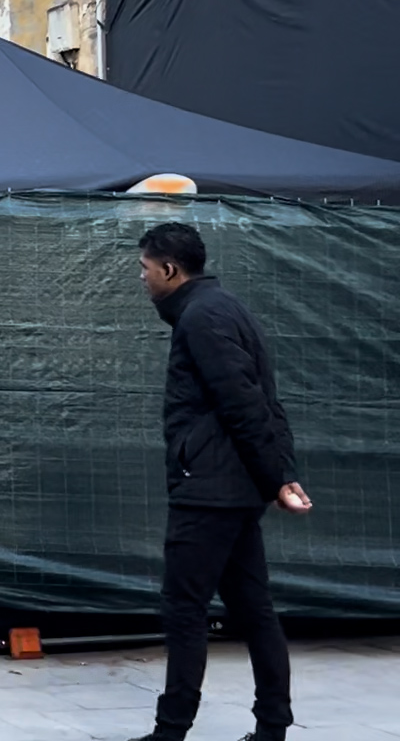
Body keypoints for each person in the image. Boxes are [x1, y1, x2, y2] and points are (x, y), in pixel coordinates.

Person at [127, 223, 309, 741]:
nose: (142, 279)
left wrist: (278, 478)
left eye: (145, 269)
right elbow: (266, 401)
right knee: (254, 610)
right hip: (233, 489)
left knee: (184, 610)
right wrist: (280, 475)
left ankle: (170, 731)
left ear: (169, 269)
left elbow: (246, 404)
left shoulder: (203, 319)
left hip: (208, 491)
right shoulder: (226, 309)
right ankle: (272, 726)